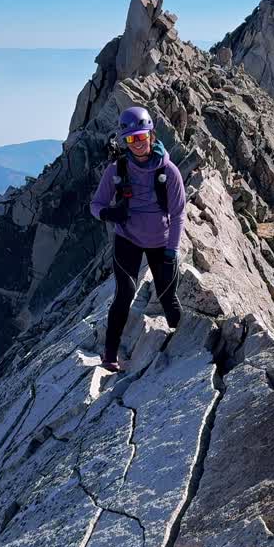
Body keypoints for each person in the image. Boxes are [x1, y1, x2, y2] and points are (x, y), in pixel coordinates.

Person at [89, 106, 186, 372]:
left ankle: (185, 345)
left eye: (142, 137)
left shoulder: (170, 172)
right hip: (127, 239)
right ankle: (109, 355)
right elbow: (95, 205)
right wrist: (108, 213)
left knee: (168, 298)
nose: (138, 144)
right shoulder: (116, 169)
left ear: (152, 135)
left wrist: (172, 250)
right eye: (131, 139)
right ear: (125, 141)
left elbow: (178, 215)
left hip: (161, 243)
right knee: (124, 295)